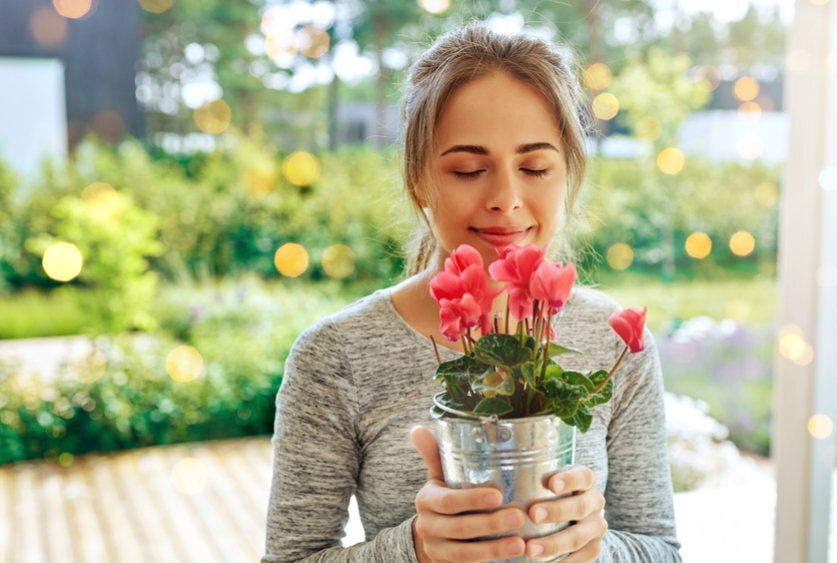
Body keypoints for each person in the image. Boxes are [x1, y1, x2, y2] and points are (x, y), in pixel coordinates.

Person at [263, 24, 682, 563]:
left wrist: (594, 549)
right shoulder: (337, 354)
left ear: (569, 176)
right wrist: (414, 550)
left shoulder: (615, 344)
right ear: (418, 180)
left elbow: (662, 550)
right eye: (468, 169)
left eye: (534, 167)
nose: (506, 199)